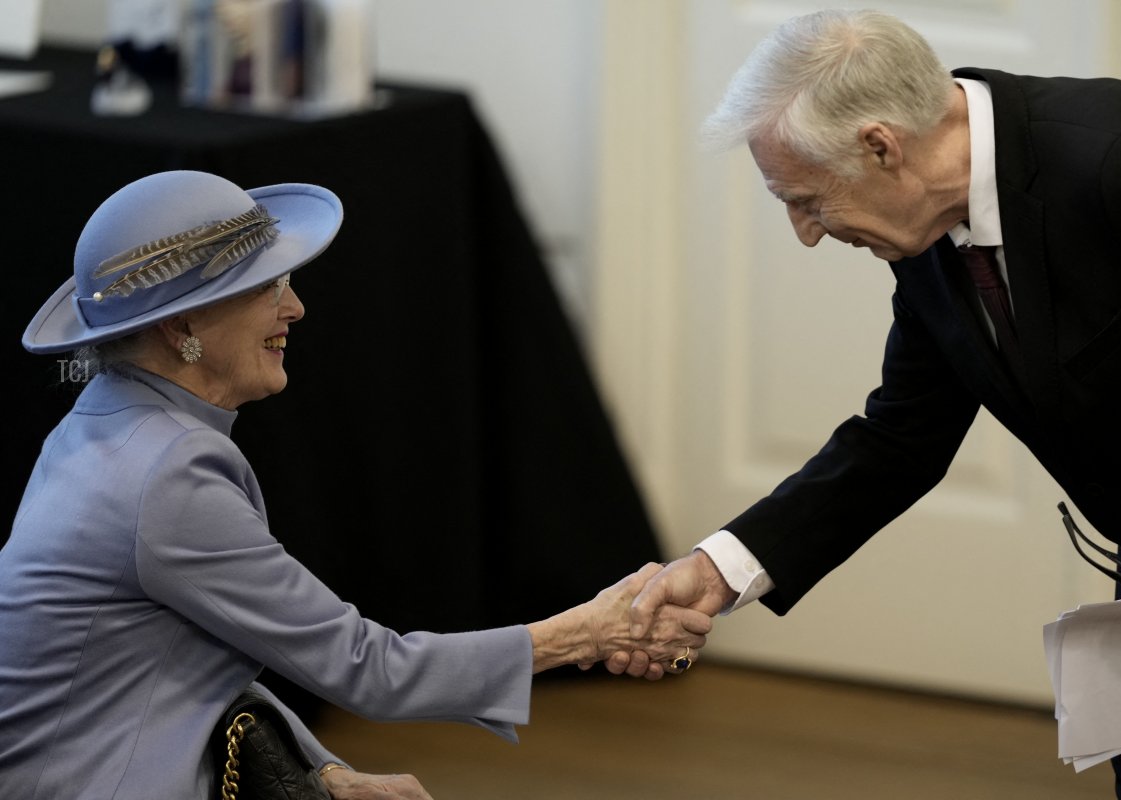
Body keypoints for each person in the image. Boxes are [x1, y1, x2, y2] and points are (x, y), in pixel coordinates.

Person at [612, 9, 1121, 799]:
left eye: (806, 199)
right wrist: (718, 572)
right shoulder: (927, 227)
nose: (806, 234)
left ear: (881, 147)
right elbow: (901, 437)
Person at [0, 170, 710, 799]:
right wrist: (589, 631)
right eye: (268, 285)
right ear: (185, 324)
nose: (295, 308)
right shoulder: (168, 474)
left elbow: (178, 664)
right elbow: (369, 668)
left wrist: (323, 771)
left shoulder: (101, 427)